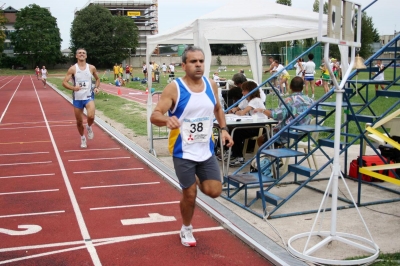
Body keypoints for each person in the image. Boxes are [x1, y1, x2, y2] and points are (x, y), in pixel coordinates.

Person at [150, 46, 233, 247]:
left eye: (201, 61)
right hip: (183, 150)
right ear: (183, 65)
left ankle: (195, 178)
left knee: (214, 191)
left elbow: (218, 109)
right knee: (190, 194)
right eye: (193, 61)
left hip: (205, 150)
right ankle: (186, 228)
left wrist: (223, 129)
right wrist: (166, 121)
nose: (198, 65)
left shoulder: (211, 84)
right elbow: (155, 115)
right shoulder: (174, 88)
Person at [255, 76, 314, 147]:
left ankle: (271, 157)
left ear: (290, 87)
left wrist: (263, 110)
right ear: (302, 87)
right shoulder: (311, 101)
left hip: (288, 133)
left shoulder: (288, 100)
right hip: (302, 133)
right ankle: (276, 156)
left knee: (261, 140)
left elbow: (276, 116)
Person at [62, 48, 100, 149]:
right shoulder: (73, 69)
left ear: (86, 56)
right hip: (78, 98)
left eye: (83, 53)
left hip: (88, 96)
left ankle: (89, 126)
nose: (81, 54)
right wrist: (73, 88)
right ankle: (83, 138)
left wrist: (96, 87)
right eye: (79, 53)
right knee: (79, 122)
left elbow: (97, 79)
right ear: (76, 56)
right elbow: (64, 82)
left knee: (91, 116)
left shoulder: (91, 68)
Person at [227, 81, 266, 166]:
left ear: (250, 91)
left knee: (237, 132)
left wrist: (237, 112)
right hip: (251, 124)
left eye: (244, 90)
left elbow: (242, 112)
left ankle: (239, 157)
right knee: (231, 129)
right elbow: (238, 108)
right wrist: (234, 109)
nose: (242, 92)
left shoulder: (256, 100)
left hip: (259, 127)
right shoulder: (246, 99)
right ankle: (233, 153)